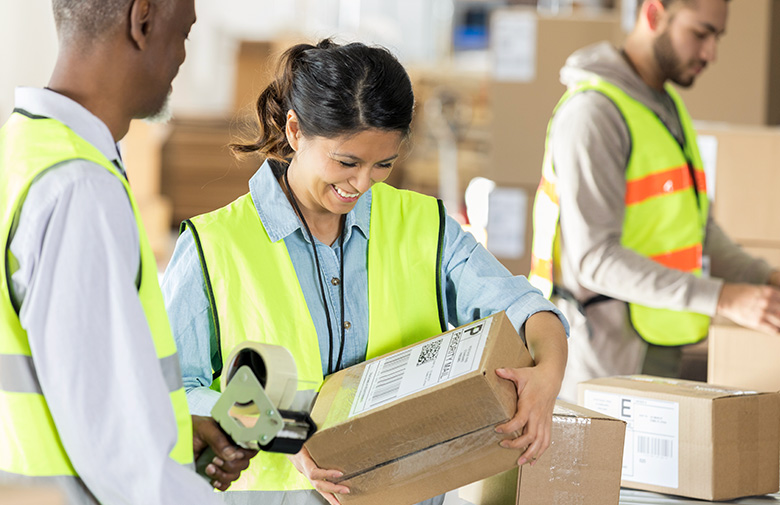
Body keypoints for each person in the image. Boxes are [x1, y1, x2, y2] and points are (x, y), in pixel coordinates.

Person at [162, 39, 569, 505]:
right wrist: (277, 429)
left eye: (384, 165)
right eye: (347, 162)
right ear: (295, 130)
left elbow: (524, 306)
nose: (362, 183)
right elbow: (170, 391)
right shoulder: (214, 245)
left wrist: (548, 374)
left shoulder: (424, 226)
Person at [0, 0, 257, 503]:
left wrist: (170, 426)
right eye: (183, 33)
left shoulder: (22, 152)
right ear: (142, 20)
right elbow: (126, 465)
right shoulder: (78, 188)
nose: (182, 56)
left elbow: (74, 381)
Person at [529, 0, 780, 403]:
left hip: (659, 339)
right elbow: (595, 259)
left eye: (717, 37)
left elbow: (698, 230)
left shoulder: (664, 106)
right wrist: (724, 297)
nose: (710, 53)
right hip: (606, 360)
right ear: (654, 14)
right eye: (701, 33)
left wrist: (763, 278)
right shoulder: (594, 114)